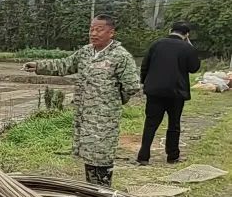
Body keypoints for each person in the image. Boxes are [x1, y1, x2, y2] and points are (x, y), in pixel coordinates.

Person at [24, 15, 140, 187]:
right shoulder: (85, 52)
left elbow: (131, 86)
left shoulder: (120, 56)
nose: (94, 33)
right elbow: (64, 65)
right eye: (91, 29)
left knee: (101, 154)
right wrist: (38, 66)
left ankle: (103, 193)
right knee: (89, 153)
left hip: (105, 118)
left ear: (111, 33)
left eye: (99, 29)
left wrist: (110, 100)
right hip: (84, 116)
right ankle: (92, 191)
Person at [136, 21, 200, 165]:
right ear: (186, 34)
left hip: (155, 91)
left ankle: (143, 156)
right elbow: (194, 68)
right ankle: (172, 156)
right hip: (176, 92)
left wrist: (145, 83)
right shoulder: (187, 48)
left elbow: (145, 65)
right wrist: (189, 45)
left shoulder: (157, 44)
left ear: (170, 30)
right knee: (174, 124)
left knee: (151, 124)